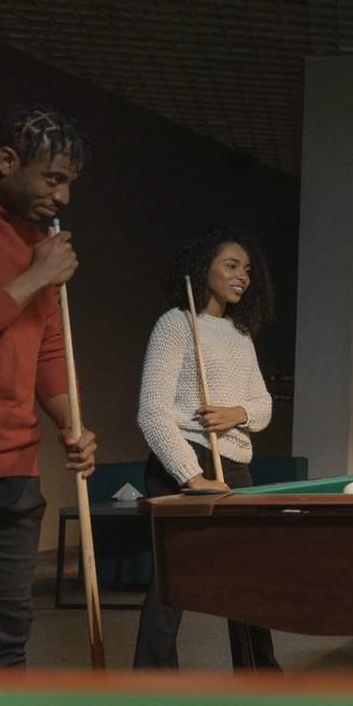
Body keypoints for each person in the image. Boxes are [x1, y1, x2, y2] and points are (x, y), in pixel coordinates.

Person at [0, 104, 97, 666]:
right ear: (6, 161)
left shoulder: (42, 239)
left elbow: (48, 347)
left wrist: (71, 422)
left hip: (16, 471)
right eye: (53, 179)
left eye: (69, 184)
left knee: (4, 644)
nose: (63, 197)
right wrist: (35, 276)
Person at [133, 226, 280, 669]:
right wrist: (191, 477)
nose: (243, 277)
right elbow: (152, 412)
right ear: (203, 269)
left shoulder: (240, 334)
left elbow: (263, 406)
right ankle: (151, 689)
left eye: (247, 269)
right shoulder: (176, 324)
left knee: (249, 577)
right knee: (174, 582)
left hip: (233, 464)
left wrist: (236, 413)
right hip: (183, 459)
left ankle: (261, 677)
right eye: (231, 266)